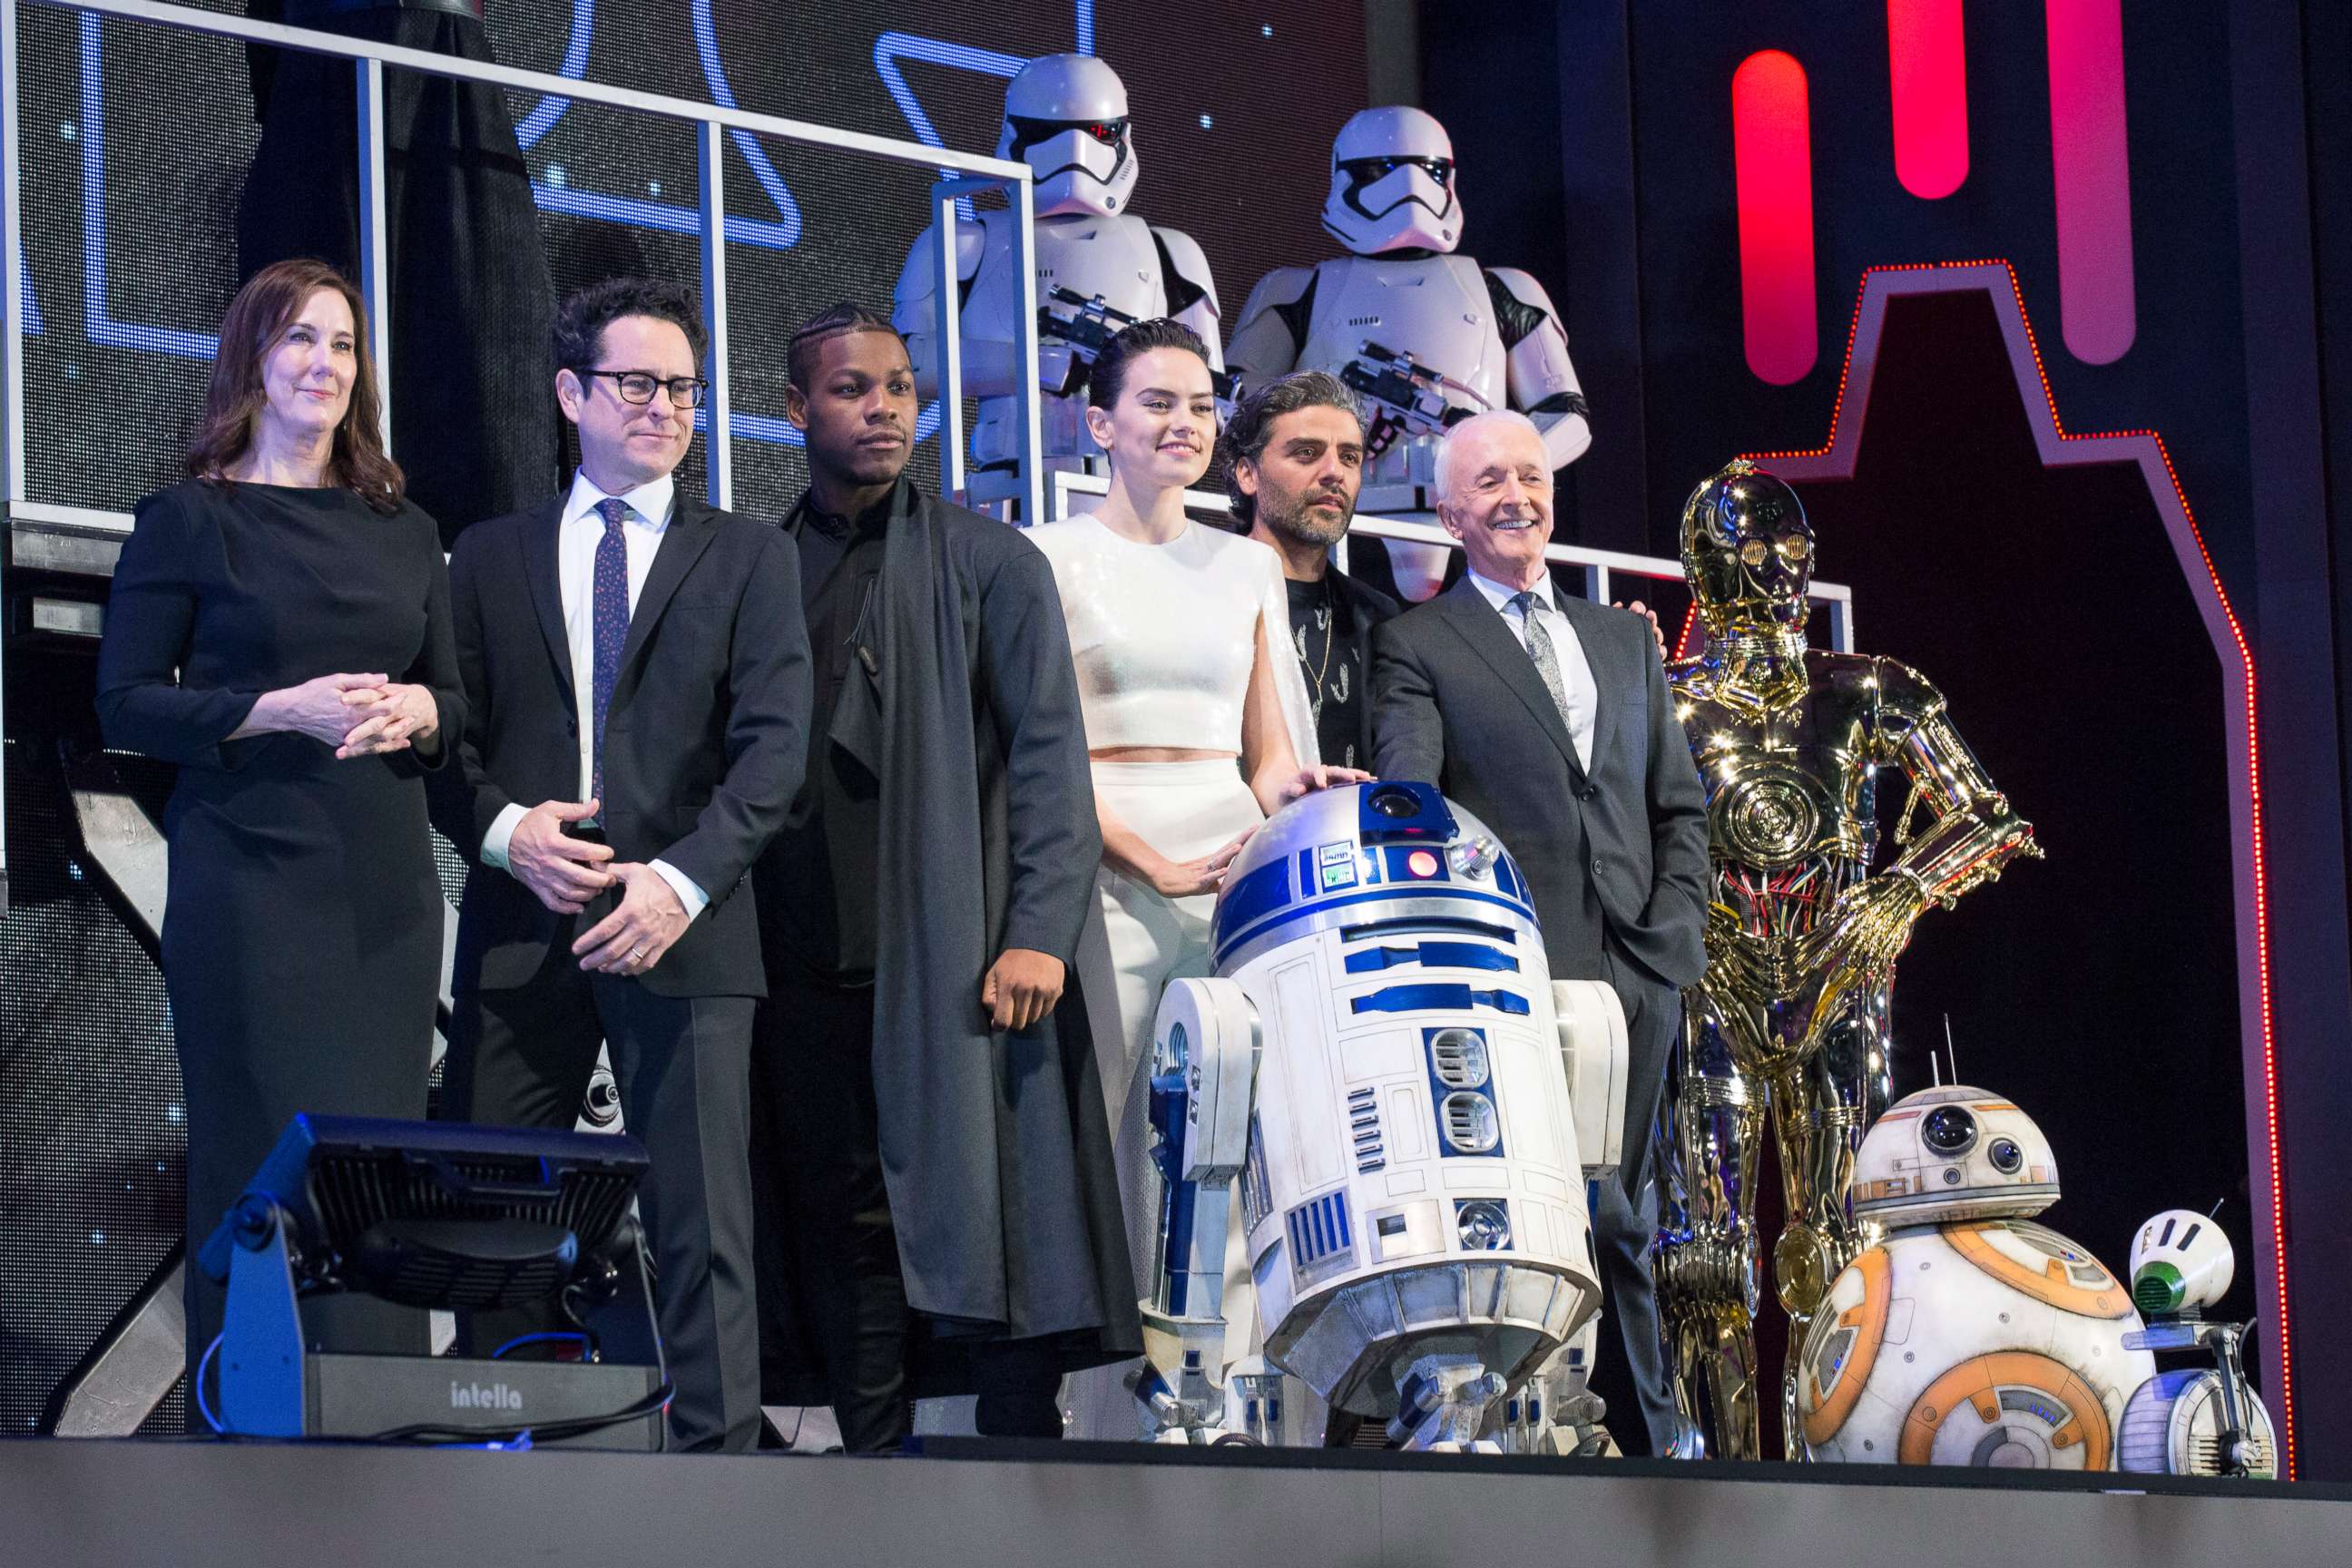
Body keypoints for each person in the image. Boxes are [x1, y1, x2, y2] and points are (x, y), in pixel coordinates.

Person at [429, 278, 811, 1454]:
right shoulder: (487, 556)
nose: (664, 408)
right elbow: (450, 743)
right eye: (637, 383)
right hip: (520, 923)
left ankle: (718, 1479)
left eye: (684, 389)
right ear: (570, 393)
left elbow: (774, 751)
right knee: (496, 1222)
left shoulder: (749, 556)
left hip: (685, 929)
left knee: (704, 1231)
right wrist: (507, 836)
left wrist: (678, 882)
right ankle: (508, 1464)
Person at [749, 304, 1138, 1450]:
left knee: (1001, 1216)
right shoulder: (756, 569)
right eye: (854, 389)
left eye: (902, 390)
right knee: (841, 1222)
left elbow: (1052, 764)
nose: (884, 409)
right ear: (794, 410)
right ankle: (872, 1478)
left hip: (964, 952)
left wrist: (1038, 934)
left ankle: (1021, 1486)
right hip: (802, 960)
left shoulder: (989, 561)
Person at [94, 258, 464, 1416]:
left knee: (373, 1170)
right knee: (261, 1163)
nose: (324, 364)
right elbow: (125, 705)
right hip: (250, 881)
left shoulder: (405, 530)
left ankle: (381, 1428)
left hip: (384, 894)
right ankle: (252, 1432)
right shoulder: (192, 518)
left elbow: (453, 701)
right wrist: (274, 710)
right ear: (253, 359)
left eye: (344, 345)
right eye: (300, 340)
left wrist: (426, 712)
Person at [1026, 318, 1367, 1434]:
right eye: (1155, 403)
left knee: (1246, 1132)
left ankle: (1247, 1407)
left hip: (1234, 874)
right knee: (1136, 1136)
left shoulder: (1246, 564)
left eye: (1197, 406)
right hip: (1108, 871)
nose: (1181, 423)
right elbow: (1043, 755)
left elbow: (1266, 753)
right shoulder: (1048, 555)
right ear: (1099, 422)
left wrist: (1300, 795)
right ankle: (1127, 1420)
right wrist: (1155, 861)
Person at [1369, 410, 1709, 1457]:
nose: (1517, 495)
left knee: (1633, 1219)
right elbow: (1414, 803)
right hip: (1517, 974)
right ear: (1447, 510)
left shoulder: (1622, 638)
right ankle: (1539, 1437)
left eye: (1532, 474)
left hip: (1642, 964)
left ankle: (1660, 1446)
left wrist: (1676, 929)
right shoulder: (1417, 641)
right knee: (1551, 1218)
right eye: (1489, 482)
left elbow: (1677, 806)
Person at [1218, 371, 1399, 772]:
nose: (1334, 472)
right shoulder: (1203, 595)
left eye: (1349, 457)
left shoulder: (1379, 619)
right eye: (1306, 453)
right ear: (1247, 474)